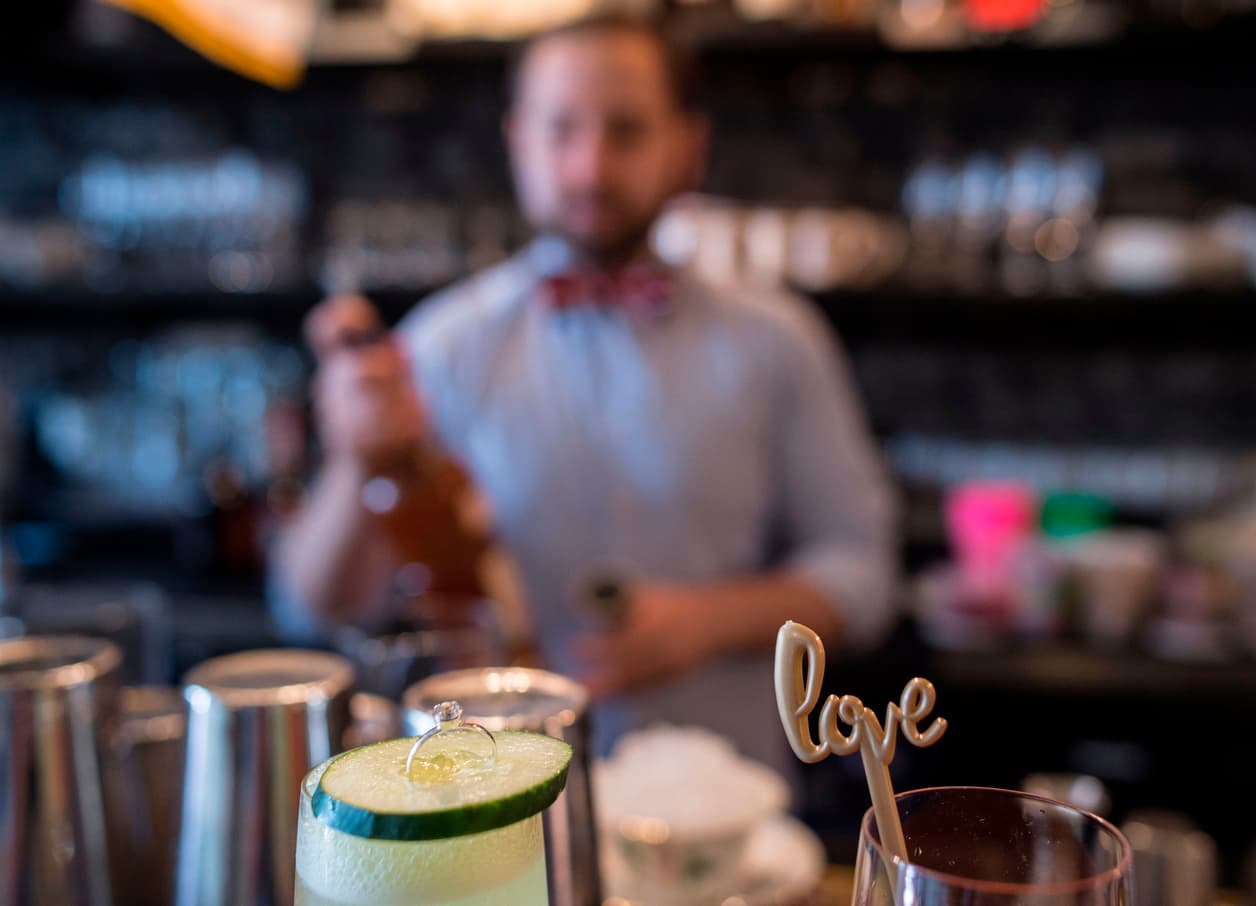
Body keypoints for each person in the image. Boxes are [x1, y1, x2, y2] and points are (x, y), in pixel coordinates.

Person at [272, 15, 897, 770]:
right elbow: (312, 608)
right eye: (561, 129)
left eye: (627, 131)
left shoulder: (779, 339)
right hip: (495, 810)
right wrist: (356, 462)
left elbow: (865, 575)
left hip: (721, 810)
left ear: (687, 147)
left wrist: (708, 622)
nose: (590, 168)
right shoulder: (439, 348)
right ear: (517, 142)